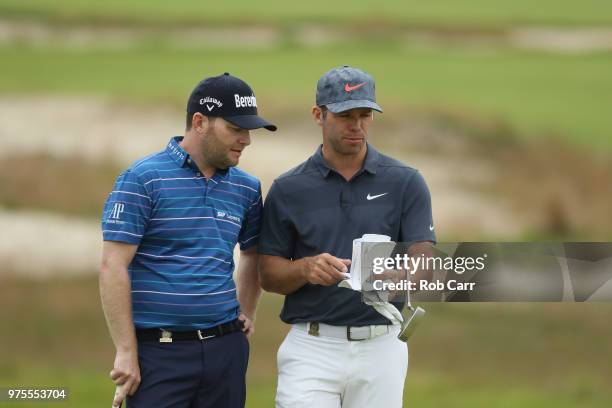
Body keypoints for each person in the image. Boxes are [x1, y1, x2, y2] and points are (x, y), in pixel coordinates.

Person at [258, 65, 436, 408]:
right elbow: (268, 275)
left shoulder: (405, 181)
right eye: (345, 115)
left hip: (382, 346)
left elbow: (423, 259)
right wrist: (305, 269)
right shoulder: (288, 188)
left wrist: (402, 277)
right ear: (318, 115)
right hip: (312, 346)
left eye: (364, 115)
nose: (357, 125)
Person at [99, 72, 276, 408]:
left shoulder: (247, 188)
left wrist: (247, 311)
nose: (246, 140)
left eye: (249, 131)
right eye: (236, 129)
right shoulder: (143, 179)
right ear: (200, 122)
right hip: (158, 354)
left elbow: (252, 254)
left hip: (226, 351)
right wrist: (125, 351)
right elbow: (113, 265)